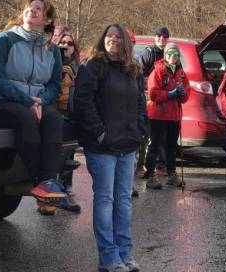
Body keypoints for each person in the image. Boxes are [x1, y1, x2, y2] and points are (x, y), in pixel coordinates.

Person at [0, 0, 67, 207]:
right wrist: (27, 101)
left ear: (47, 20)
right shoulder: (6, 39)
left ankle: (49, 181)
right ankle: (38, 182)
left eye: (39, 9)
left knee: (54, 118)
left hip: (35, 102)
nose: (32, 10)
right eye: (30, 7)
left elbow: (55, 85)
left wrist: (41, 100)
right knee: (25, 117)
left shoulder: (52, 49)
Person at [74, 24, 146, 272]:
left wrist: (140, 129)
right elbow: (82, 101)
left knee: (124, 200)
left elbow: (140, 103)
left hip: (128, 144)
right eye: (109, 36)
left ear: (125, 42)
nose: (113, 40)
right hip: (102, 145)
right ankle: (108, 257)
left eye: (118, 37)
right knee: (105, 200)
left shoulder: (133, 70)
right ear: (102, 39)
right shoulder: (92, 66)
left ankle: (125, 253)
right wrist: (99, 132)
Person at [36, 29, 83, 215]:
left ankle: (67, 191)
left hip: (70, 116)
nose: (66, 46)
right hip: (52, 114)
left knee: (68, 158)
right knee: (51, 156)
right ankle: (46, 198)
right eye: (62, 43)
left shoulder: (79, 67)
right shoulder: (49, 62)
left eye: (70, 43)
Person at [144, 42, 189, 189]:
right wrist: (169, 95)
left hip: (174, 115)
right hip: (157, 115)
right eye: (170, 53)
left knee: (171, 146)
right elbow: (153, 93)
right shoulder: (157, 71)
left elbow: (187, 94)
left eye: (176, 54)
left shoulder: (181, 73)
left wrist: (183, 94)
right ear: (165, 55)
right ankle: (150, 175)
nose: (173, 56)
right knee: (155, 145)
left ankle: (172, 174)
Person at [134, 26, 170, 177]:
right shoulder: (148, 53)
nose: (161, 39)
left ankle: (160, 165)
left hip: (163, 100)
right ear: (154, 38)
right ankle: (139, 166)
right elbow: (138, 75)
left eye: (164, 37)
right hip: (148, 99)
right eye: (158, 36)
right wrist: (152, 83)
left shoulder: (169, 54)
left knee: (161, 135)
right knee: (145, 134)